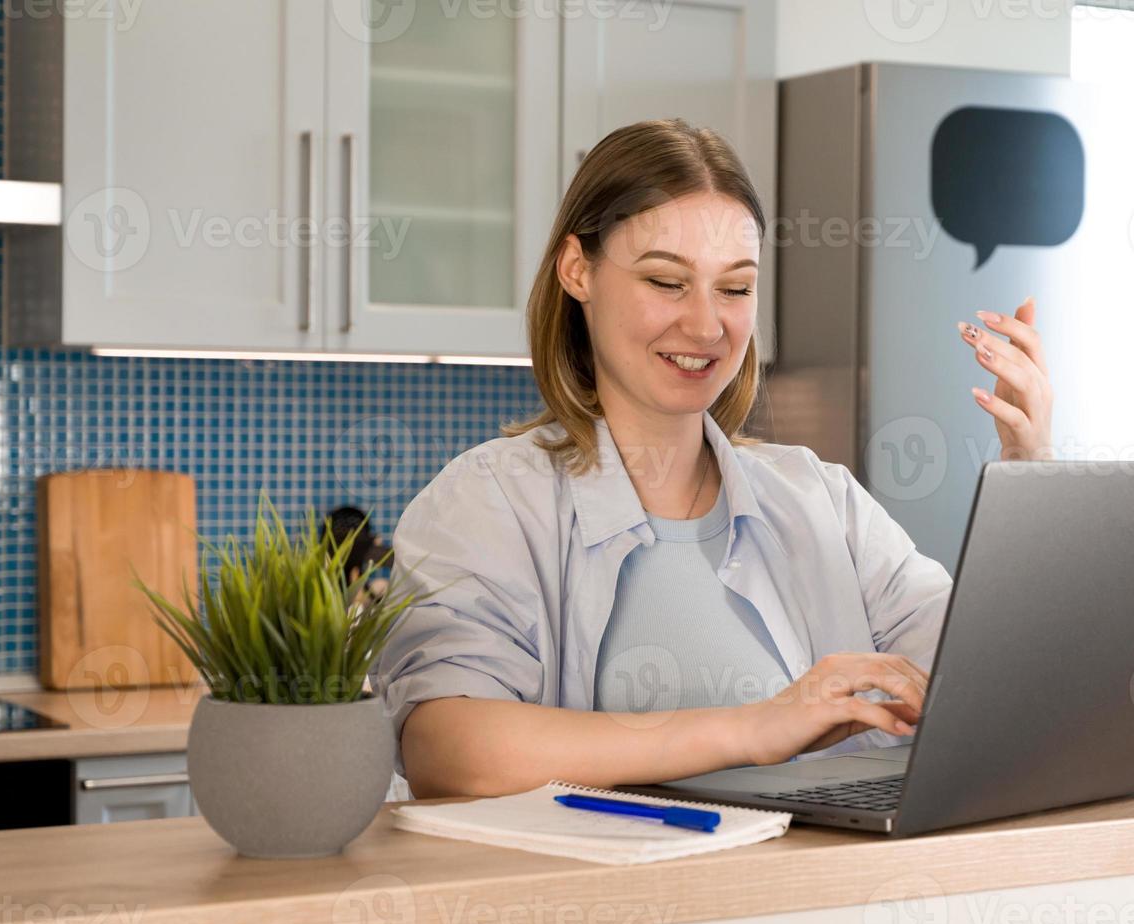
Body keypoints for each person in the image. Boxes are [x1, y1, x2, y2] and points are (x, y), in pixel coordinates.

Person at [372, 119, 1053, 799]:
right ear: (578, 271)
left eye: (734, 289)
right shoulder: (488, 501)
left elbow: (990, 687)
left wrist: (1028, 479)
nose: (705, 326)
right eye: (666, 282)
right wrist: (754, 729)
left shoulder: (821, 500)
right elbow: (449, 748)